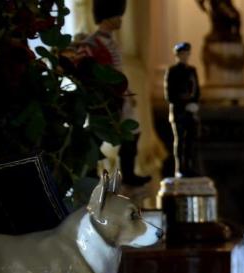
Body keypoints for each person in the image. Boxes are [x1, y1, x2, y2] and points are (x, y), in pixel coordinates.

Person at [78, 0, 150, 187]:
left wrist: (127, 93)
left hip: (119, 97)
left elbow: (118, 72)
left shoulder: (111, 42)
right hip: (104, 99)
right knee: (98, 135)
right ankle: (90, 171)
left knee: (132, 133)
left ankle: (129, 173)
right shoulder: (91, 43)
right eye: (117, 16)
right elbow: (89, 73)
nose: (120, 20)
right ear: (108, 18)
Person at [165, 42, 201, 178]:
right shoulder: (172, 71)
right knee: (179, 141)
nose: (185, 56)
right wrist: (184, 103)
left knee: (191, 142)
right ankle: (180, 168)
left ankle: (190, 167)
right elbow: (170, 94)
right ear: (178, 55)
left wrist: (194, 104)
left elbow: (197, 90)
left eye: (187, 53)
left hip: (190, 112)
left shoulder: (192, 70)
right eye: (182, 54)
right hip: (179, 112)